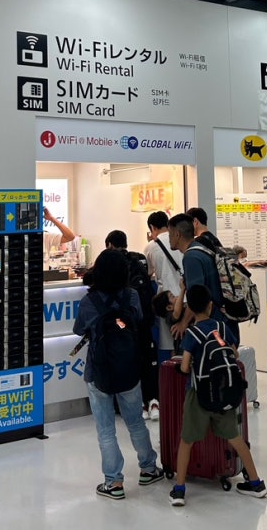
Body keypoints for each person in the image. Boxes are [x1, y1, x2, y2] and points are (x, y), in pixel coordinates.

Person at [73, 248, 164, 500]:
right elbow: (139, 320)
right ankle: (148, 468)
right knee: (135, 421)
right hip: (129, 367)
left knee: (105, 429)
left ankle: (113, 482)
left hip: (98, 371)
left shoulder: (89, 301)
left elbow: (79, 329)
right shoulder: (132, 296)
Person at [168, 283, 267, 507]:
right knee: (236, 439)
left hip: (198, 395)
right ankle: (256, 483)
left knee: (186, 441)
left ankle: (179, 490)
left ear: (191, 309)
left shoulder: (192, 333)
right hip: (225, 391)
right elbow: (234, 354)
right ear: (210, 305)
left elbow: (184, 367)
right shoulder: (222, 327)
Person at [104, 229, 159, 420]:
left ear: (110, 245)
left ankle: (135, 405)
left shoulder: (109, 261)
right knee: (147, 360)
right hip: (144, 321)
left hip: (122, 324)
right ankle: (153, 401)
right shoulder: (139, 258)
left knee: (128, 361)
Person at [168, 214, 239, 346]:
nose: (169, 239)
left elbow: (196, 296)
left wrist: (183, 323)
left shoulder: (191, 257)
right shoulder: (202, 249)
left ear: (177, 235)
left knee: (217, 355)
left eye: (170, 234)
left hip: (215, 326)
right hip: (225, 322)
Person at [144, 211, 184, 366]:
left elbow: (148, 272)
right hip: (184, 296)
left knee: (170, 345)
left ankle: (173, 375)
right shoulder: (180, 240)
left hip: (166, 301)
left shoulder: (151, 247)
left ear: (152, 227)